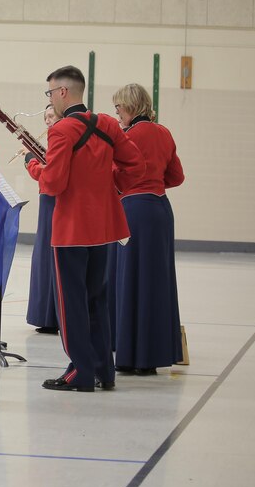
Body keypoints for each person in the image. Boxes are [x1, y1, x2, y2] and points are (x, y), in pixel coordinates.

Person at [24, 65, 144, 392]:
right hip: (102, 227)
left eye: (49, 93)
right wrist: (109, 189)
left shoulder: (62, 130)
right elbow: (136, 166)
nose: (49, 98)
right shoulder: (106, 123)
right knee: (96, 299)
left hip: (71, 230)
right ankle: (104, 370)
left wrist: (33, 165)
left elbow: (53, 183)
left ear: (63, 92)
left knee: (71, 303)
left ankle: (80, 370)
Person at [110, 83, 185, 375]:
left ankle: (130, 355)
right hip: (160, 210)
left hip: (133, 211)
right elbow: (176, 176)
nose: (117, 114)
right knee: (156, 282)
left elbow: (115, 174)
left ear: (130, 107)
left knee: (129, 280)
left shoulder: (128, 136)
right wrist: (152, 183)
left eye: (119, 108)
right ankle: (154, 353)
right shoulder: (163, 132)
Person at [25, 104, 61, 334]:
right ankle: (46, 315)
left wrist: (30, 160)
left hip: (56, 201)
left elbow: (49, 174)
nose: (47, 121)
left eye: (51, 116)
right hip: (47, 200)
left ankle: (53, 315)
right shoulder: (54, 142)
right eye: (46, 117)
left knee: (51, 254)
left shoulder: (63, 141)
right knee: (43, 255)